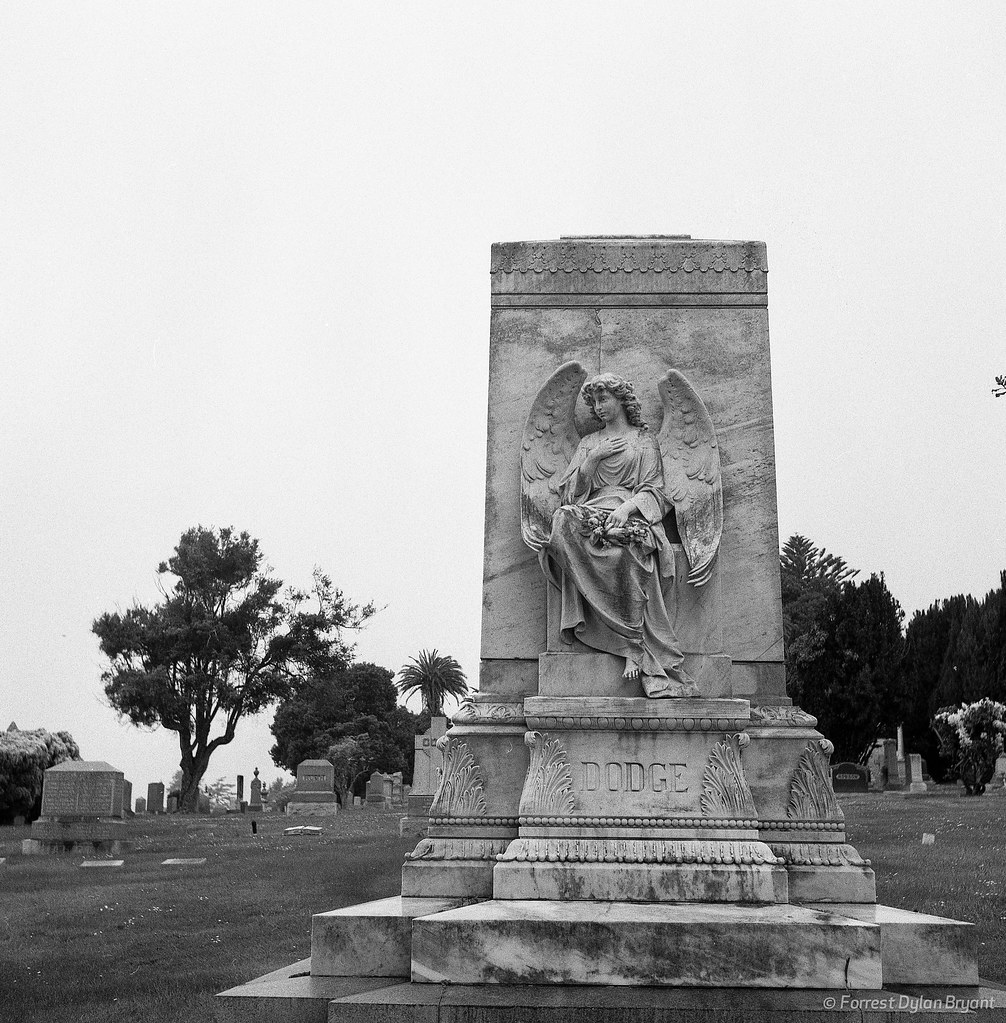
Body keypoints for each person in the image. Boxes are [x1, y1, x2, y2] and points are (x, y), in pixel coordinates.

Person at [539, 373, 697, 698]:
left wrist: (626, 510)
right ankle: (623, 638)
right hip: (592, 513)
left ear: (621, 400)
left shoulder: (643, 441)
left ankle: (631, 645)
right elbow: (571, 495)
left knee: (625, 552)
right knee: (562, 521)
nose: (598, 407)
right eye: (594, 401)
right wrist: (591, 461)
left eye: (604, 399)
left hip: (631, 516)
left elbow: (655, 491)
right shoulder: (588, 444)